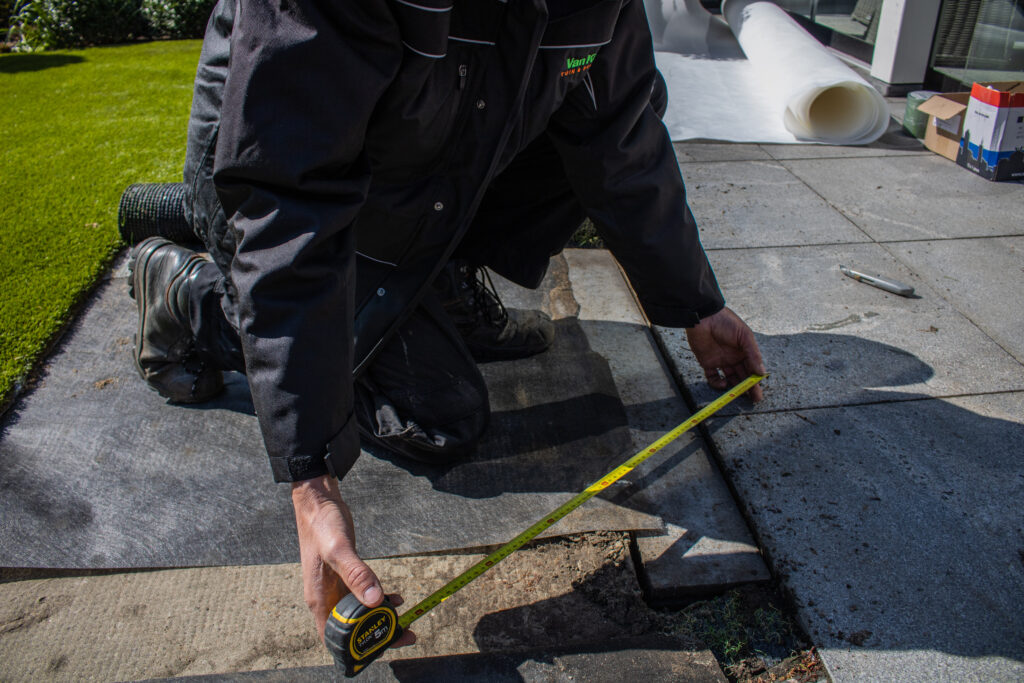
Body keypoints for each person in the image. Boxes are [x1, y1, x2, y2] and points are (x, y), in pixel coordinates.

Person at [128, 0, 766, 649]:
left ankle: (438, 279)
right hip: (278, 169)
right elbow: (290, 201)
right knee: (439, 415)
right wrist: (312, 475)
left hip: (423, 154)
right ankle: (198, 300)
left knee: (573, 115)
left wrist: (696, 304)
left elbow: (622, 136)